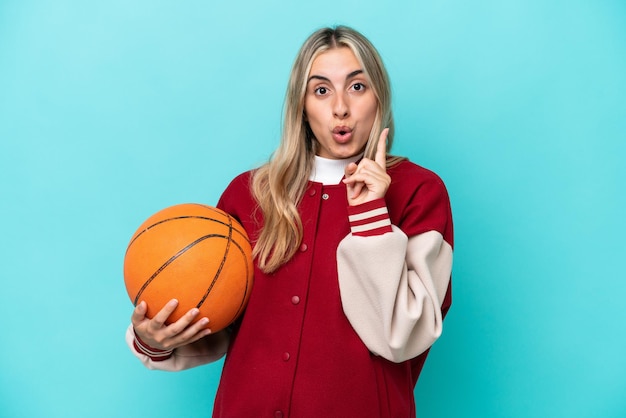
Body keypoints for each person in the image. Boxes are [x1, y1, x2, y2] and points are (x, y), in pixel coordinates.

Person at [126, 25, 453, 418]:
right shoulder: (247, 194)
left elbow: (401, 336)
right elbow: (220, 323)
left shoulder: (420, 192)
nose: (340, 108)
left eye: (357, 86)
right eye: (321, 90)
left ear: (378, 95)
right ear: (301, 105)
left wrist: (370, 217)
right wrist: (155, 339)